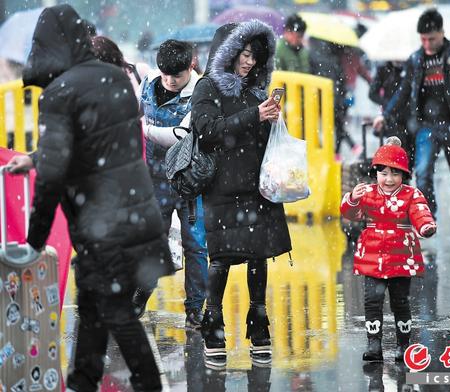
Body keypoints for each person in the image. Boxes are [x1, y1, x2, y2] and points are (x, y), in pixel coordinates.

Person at [6, 5, 173, 391]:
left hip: (102, 224)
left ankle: (150, 385)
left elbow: (53, 174)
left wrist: (34, 241)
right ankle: (83, 380)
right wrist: (32, 159)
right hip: (135, 212)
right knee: (95, 307)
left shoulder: (60, 93)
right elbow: (100, 143)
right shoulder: (114, 78)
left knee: (115, 313)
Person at [190, 20, 292, 368]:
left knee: (257, 255)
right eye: (243, 54)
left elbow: (257, 132)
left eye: (254, 56)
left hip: (256, 185)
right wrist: (254, 115)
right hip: (221, 186)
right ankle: (213, 325)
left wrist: (274, 120)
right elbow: (208, 131)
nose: (248, 62)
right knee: (221, 258)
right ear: (228, 52)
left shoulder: (256, 89)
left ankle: (258, 323)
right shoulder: (207, 87)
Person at [373, 8, 450, 243]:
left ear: (442, 33)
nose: (427, 43)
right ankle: (427, 219)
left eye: (431, 38)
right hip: (427, 126)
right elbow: (403, 91)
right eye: (423, 39)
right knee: (422, 174)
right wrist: (386, 113)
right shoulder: (416, 58)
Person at [340, 136, 436, 362]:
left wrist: (425, 226)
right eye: (383, 173)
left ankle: (404, 345)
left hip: (402, 255)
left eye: (395, 173)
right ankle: (374, 344)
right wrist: (352, 199)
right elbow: (350, 214)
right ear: (376, 173)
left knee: (400, 301)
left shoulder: (411, 195)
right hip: (372, 255)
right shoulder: (368, 193)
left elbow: (420, 212)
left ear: (404, 175)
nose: (389, 179)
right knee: (372, 299)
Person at [138, 39, 208, 326]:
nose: (168, 81)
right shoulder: (148, 86)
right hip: (155, 180)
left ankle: (194, 309)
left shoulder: (202, 91)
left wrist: (143, 128)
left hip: (190, 181)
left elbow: (180, 135)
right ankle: (140, 295)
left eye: (175, 77)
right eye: (164, 75)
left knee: (196, 245)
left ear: (191, 65)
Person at [310, 38, 362, 161]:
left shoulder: (316, 58)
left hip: (325, 99)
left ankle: (343, 151)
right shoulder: (336, 59)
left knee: (336, 126)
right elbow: (342, 80)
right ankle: (347, 149)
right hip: (338, 99)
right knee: (338, 125)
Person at [368, 61, 414, 165]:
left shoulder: (410, 67)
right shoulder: (383, 69)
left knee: (411, 153)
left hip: (410, 117)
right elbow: (372, 93)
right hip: (392, 118)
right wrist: (388, 103)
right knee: (398, 152)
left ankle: (407, 175)